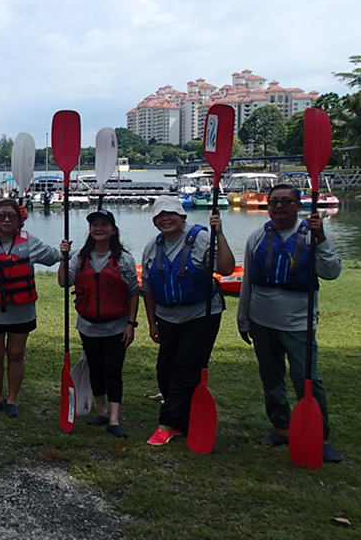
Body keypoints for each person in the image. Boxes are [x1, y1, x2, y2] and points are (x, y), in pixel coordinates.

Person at [237, 183, 343, 462]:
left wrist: (321, 240)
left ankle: (320, 436)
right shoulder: (257, 237)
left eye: (286, 201)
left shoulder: (312, 235)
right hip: (262, 320)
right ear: (268, 205)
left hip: (298, 323)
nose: (279, 206)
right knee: (271, 377)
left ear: (298, 205)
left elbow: (331, 272)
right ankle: (281, 427)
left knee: (307, 379)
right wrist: (243, 318)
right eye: (274, 201)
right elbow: (247, 281)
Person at [140, 195, 234, 445]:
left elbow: (225, 269)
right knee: (165, 370)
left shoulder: (201, 238)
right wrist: (151, 323)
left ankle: (167, 423)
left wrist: (220, 234)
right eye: (160, 216)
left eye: (171, 214)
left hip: (201, 315)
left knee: (186, 369)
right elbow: (147, 288)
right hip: (167, 317)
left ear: (182, 217)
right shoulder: (152, 246)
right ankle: (184, 421)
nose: (166, 219)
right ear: (154, 221)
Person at [0, 197, 63, 418]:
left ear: (19, 220)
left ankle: (12, 400)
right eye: (1, 216)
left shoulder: (30, 242)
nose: (6, 219)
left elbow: (53, 257)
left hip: (21, 311)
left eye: (11, 216)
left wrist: (66, 252)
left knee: (16, 354)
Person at [58, 209, 140, 438]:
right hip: (88, 326)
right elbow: (64, 282)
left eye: (104, 224)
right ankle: (101, 411)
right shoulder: (79, 257)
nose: (99, 229)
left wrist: (131, 324)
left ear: (113, 230)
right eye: (95, 225)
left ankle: (114, 419)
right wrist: (63, 257)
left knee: (113, 369)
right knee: (95, 368)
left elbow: (134, 293)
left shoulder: (124, 259)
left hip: (116, 326)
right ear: (90, 230)